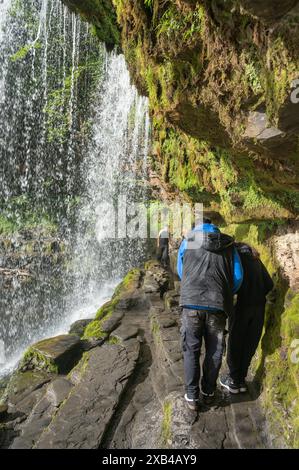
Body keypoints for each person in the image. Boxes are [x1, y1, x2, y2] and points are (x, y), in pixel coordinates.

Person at [177, 220, 243, 410]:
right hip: (218, 305)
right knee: (214, 351)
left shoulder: (187, 240)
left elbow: (181, 271)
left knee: (191, 349)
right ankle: (208, 392)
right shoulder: (228, 244)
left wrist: (191, 286)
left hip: (190, 304)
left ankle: (191, 395)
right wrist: (224, 293)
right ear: (215, 228)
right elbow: (238, 276)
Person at [220, 243, 274, 394]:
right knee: (250, 344)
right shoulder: (256, 259)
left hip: (241, 307)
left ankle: (233, 380)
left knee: (236, 343)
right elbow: (269, 284)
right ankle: (241, 380)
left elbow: (230, 284)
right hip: (258, 308)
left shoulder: (235, 260)